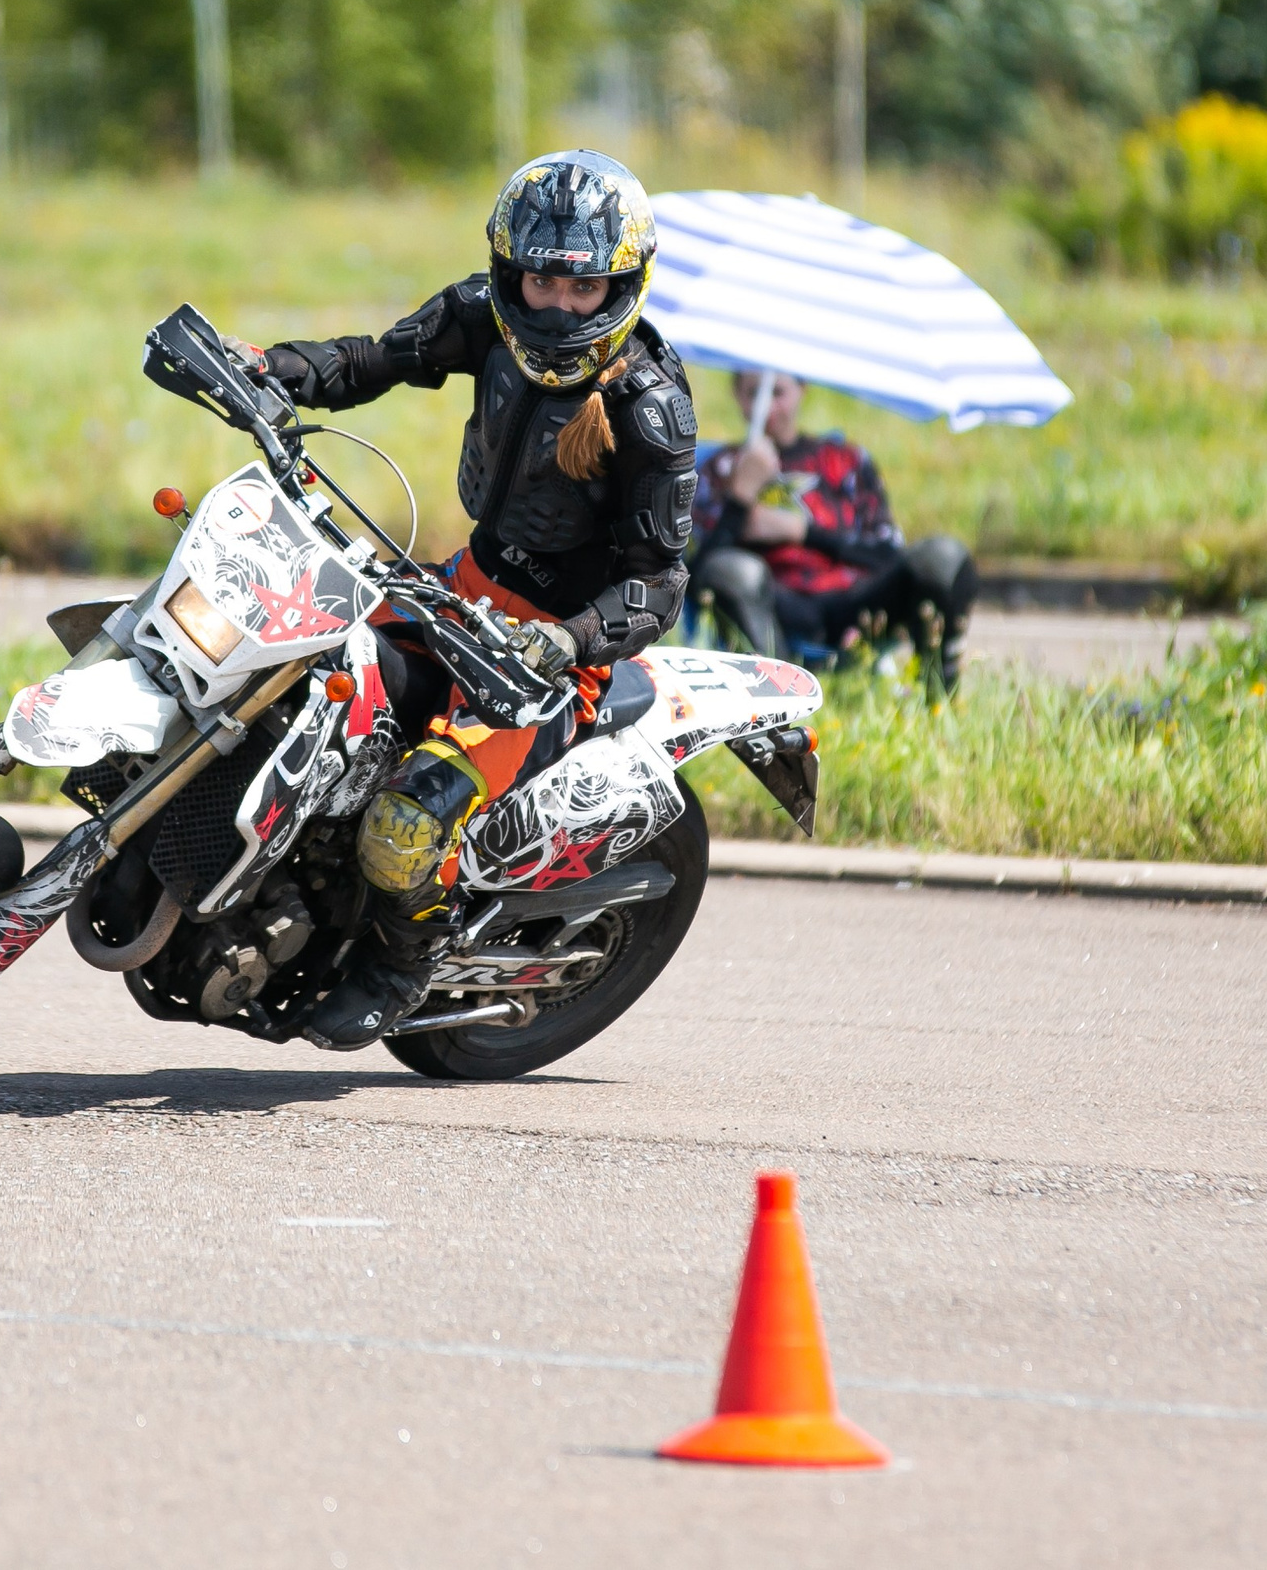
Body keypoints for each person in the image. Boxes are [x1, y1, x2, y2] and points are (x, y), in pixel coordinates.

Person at [234, 149, 698, 1051]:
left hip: (554, 666)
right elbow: (372, 361)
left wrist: (568, 643)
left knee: (407, 823)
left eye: (581, 286)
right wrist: (270, 366)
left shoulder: (649, 405)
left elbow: (661, 580)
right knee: (280, 661)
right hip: (459, 591)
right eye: (538, 279)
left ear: (623, 283)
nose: (554, 303)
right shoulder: (486, 316)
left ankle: (403, 962)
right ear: (509, 270)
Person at [689, 371, 977, 684]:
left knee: (942, 557)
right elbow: (699, 577)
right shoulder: (721, 468)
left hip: (854, 602)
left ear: (802, 389)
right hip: (776, 607)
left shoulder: (844, 460)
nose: (767, 407)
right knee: (734, 572)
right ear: (737, 397)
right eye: (754, 393)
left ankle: (938, 693)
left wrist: (802, 532)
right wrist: (739, 500)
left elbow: (887, 555)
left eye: (777, 393)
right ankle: (776, 697)